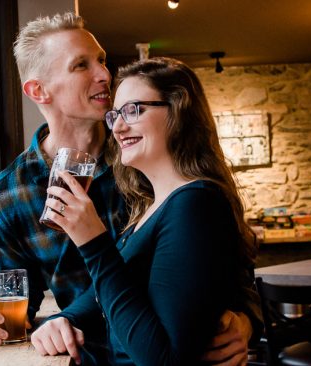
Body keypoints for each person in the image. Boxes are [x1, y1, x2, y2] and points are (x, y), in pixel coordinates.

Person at [0, 12, 262, 365]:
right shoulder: (7, 195)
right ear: (38, 90)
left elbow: (231, 264)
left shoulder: (148, 154)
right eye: (81, 65)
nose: (104, 75)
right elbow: (16, 306)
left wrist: (246, 320)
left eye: (102, 60)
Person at [32, 56, 259, 365]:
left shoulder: (195, 203)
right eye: (115, 115)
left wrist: (93, 242)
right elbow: (111, 291)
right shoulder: (150, 206)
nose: (119, 126)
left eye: (133, 110)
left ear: (178, 111)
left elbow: (164, 359)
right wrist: (64, 319)